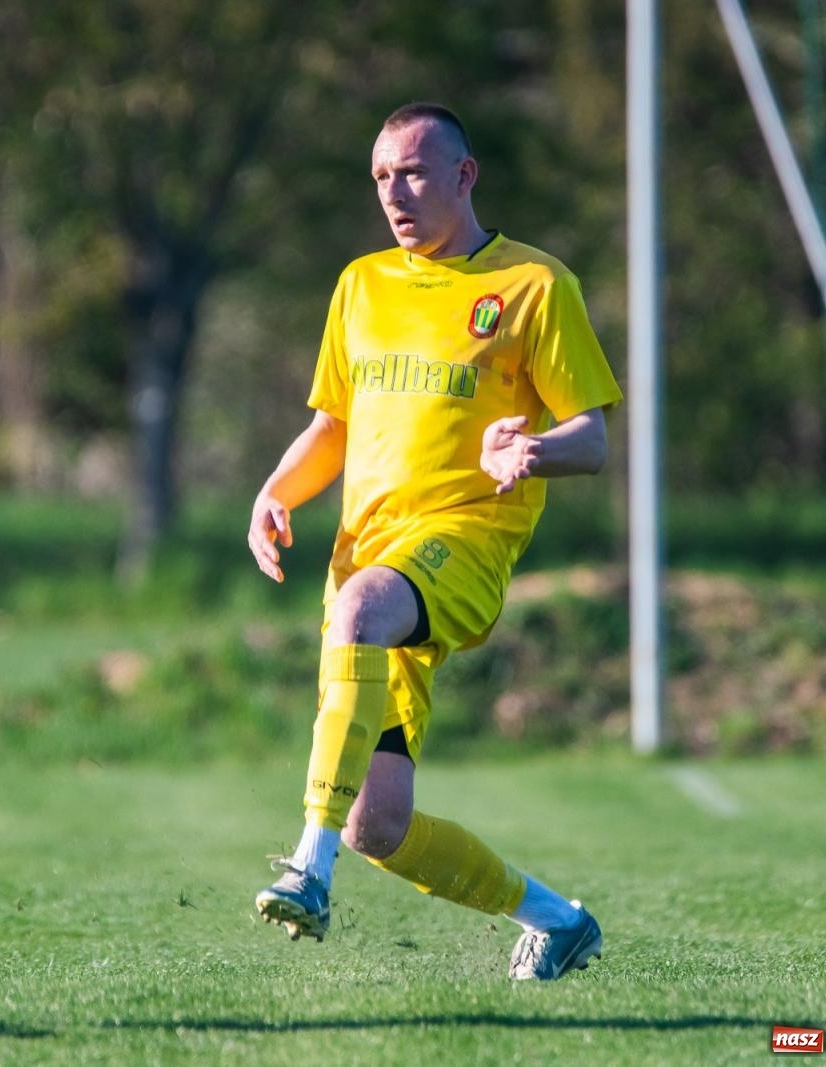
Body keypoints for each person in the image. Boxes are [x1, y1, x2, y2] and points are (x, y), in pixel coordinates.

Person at [247, 103, 622, 981]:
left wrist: (532, 450)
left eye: (413, 171)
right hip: (362, 567)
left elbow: (594, 439)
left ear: (465, 174)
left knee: (365, 603)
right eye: (381, 177)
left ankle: (307, 864)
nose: (394, 193)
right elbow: (333, 424)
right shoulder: (361, 284)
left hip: (460, 544)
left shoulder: (535, 285)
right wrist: (274, 489)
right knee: (379, 827)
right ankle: (558, 920)